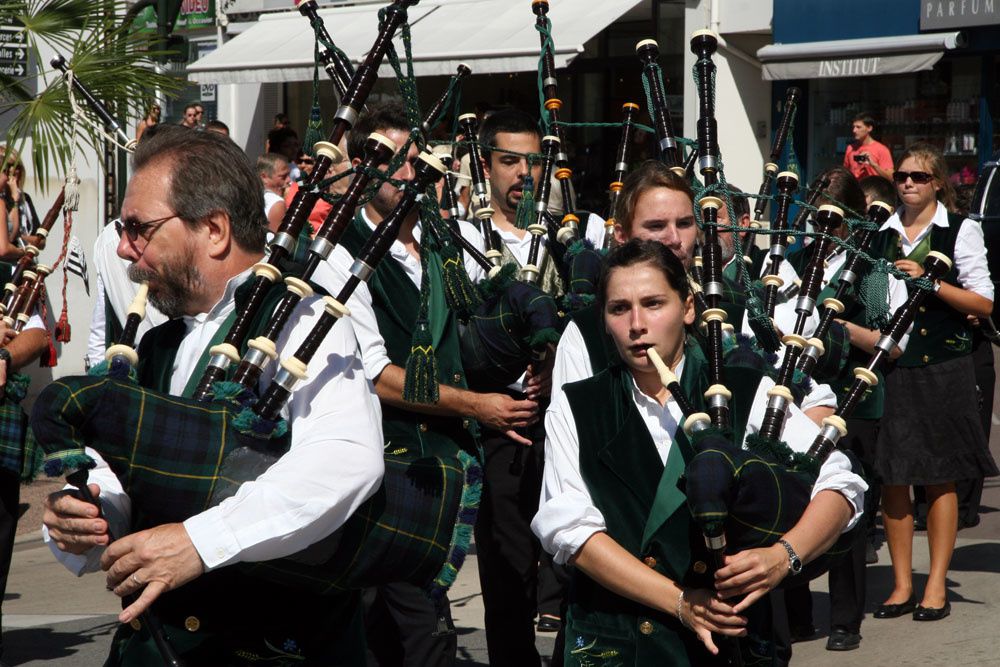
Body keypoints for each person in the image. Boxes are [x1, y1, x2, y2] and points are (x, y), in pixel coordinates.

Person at [42, 126, 385, 665]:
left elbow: (345, 461)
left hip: (274, 644)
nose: (125, 249)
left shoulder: (302, 322)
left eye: (138, 228)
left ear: (214, 229)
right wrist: (84, 516)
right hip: (156, 644)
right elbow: (127, 477)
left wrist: (200, 542)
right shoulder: (156, 345)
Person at [533, 239, 866, 665]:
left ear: (688, 308)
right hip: (617, 640)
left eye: (654, 303)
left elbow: (840, 482)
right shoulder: (577, 405)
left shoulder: (745, 390)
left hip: (731, 641)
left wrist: (783, 557)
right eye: (619, 308)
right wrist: (679, 601)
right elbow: (570, 530)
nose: (637, 323)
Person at [339, 101, 534, 667]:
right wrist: (479, 406)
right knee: (413, 623)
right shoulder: (340, 251)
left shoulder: (442, 241)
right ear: (361, 167)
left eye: (413, 161)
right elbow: (377, 376)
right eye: (391, 162)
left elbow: (476, 326)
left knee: (402, 616)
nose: (406, 174)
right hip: (389, 461)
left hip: (447, 460)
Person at [872, 143, 998, 622]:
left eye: (919, 177)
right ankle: (902, 584)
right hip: (890, 364)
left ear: (938, 183)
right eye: (901, 176)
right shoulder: (880, 232)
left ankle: (937, 584)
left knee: (939, 475)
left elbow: (983, 303)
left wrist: (930, 281)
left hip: (944, 366)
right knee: (894, 477)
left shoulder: (960, 230)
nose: (907, 183)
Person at [786, 167, 908, 651]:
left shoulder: (877, 262)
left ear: (853, 219)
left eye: (833, 221)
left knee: (849, 506)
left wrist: (837, 327)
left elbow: (893, 344)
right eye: (817, 219)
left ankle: (844, 620)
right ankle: (796, 613)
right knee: (792, 498)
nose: (823, 229)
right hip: (799, 398)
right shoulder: (793, 260)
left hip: (857, 397)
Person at [474, 107, 571, 665]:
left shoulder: (561, 239)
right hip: (500, 418)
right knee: (508, 562)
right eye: (509, 161)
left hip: (558, 414)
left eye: (532, 162)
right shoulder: (462, 238)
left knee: (568, 548)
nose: (523, 174)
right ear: (486, 166)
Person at [844, 113, 894, 181]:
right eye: (853, 127)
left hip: (875, 189)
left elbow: (891, 178)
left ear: (869, 128)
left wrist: (874, 165)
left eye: (858, 127)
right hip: (856, 189)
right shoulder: (850, 148)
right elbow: (845, 173)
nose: (854, 130)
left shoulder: (881, 149)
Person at [256, 153, 290, 233]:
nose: (288, 180)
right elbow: (273, 243)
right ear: (264, 177)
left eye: (288, 175)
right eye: (283, 176)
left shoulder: (247, 193)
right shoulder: (277, 203)